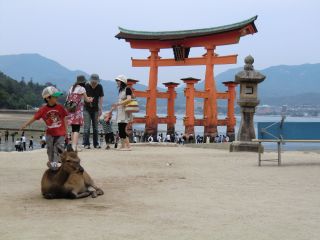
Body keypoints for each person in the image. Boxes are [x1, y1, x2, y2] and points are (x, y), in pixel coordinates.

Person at [20, 86, 67, 170]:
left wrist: (66, 131)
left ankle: (57, 162)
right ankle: (53, 163)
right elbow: (34, 117)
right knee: (50, 149)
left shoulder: (60, 107)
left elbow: (65, 118)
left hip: (61, 133)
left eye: (57, 96)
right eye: (55, 96)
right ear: (48, 98)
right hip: (50, 134)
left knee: (58, 147)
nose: (57, 98)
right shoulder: (43, 109)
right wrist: (25, 124)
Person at [66, 75, 93, 151]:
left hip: (70, 111)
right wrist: (90, 99)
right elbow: (87, 100)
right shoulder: (82, 89)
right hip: (77, 111)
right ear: (83, 82)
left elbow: (68, 99)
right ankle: (74, 147)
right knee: (76, 129)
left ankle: (73, 145)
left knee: (72, 129)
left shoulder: (72, 87)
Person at [83, 74, 104, 149]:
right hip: (86, 108)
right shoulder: (86, 86)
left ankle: (96, 144)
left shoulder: (100, 87)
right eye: (93, 82)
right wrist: (87, 99)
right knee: (87, 127)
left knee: (95, 127)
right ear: (90, 80)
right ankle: (86, 143)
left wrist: (100, 108)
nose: (94, 83)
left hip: (95, 109)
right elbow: (82, 96)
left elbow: (101, 97)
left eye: (95, 82)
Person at [112, 75, 132, 151]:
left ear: (122, 82)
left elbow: (129, 99)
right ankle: (123, 146)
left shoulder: (127, 89)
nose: (117, 82)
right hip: (120, 111)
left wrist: (119, 104)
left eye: (118, 81)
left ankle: (129, 146)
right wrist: (117, 105)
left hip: (124, 111)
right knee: (120, 129)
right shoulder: (121, 90)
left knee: (122, 129)